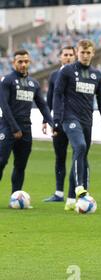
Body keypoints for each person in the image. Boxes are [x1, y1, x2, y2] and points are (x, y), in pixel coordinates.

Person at [53, 39, 101, 211]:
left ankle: (71, 198)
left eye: (88, 52)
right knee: (80, 146)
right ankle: (80, 187)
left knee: (81, 156)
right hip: (70, 118)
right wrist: (56, 119)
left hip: (87, 120)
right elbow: (57, 94)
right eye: (82, 52)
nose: (85, 55)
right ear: (77, 52)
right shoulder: (67, 71)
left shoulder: (97, 75)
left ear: (93, 53)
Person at [0, 50, 54, 195]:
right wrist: (14, 128)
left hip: (26, 129)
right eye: (20, 62)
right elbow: (4, 106)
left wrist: (52, 123)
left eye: (26, 61)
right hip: (7, 127)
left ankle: (15, 196)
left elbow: (42, 105)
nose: (23, 64)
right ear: (14, 63)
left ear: (29, 62)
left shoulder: (33, 83)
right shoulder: (7, 81)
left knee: (20, 165)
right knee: (1, 162)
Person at [43, 46, 77, 202]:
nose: (68, 57)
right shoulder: (54, 75)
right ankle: (59, 193)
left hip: (77, 121)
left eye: (71, 54)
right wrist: (46, 119)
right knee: (60, 157)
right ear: (60, 57)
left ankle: (79, 191)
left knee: (79, 156)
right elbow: (49, 99)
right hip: (59, 121)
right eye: (66, 55)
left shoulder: (79, 74)